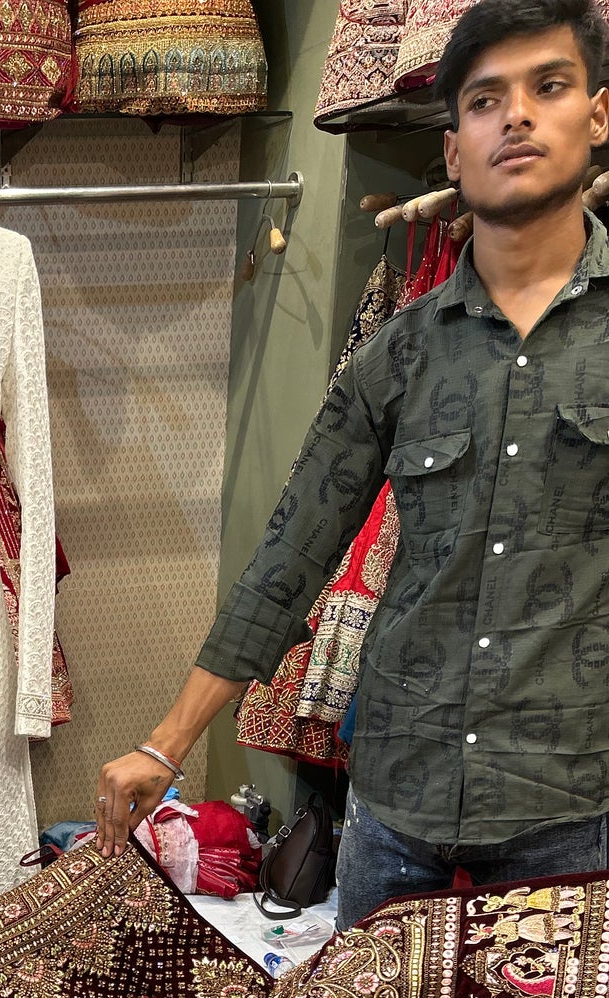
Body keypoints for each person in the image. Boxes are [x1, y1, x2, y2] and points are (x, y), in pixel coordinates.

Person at [94, 0, 609, 929]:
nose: (517, 117)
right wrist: (163, 746)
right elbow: (289, 556)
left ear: (598, 116)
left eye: (548, 87)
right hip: (397, 805)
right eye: (485, 101)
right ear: (453, 150)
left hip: (573, 814)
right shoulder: (396, 355)